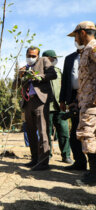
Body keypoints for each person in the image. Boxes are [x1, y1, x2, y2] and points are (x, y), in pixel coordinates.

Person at [14, 46, 57, 171]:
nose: (31, 58)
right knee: (30, 132)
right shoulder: (24, 68)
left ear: (38, 56)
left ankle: (43, 162)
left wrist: (37, 76)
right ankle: (34, 159)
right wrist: (19, 75)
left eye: (33, 56)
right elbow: (14, 86)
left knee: (43, 132)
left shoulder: (44, 61)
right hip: (27, 102)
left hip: (40, 101)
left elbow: (52, 74)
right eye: (29, 55)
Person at [67, 21, 96, 185]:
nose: (75, 39)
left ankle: (93, 177)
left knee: (88, 136)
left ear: (82, 33)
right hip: (85, 102)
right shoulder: (85, 51)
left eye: (75, 35)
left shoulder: (93, 47)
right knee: (88, 137)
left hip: (92, 104)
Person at [60, 45, 88, 171]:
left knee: (90, 134)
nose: (76, 40)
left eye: (77, 36)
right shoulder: (70, 58)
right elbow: (65, 79)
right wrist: (62, 100)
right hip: (74, 99)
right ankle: (80, 162)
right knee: (75, 134)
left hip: (90, 96)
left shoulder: (92, 53)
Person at [42, 50, 72, 164]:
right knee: (47, 133)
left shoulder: (59, 71)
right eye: (51, 58)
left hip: (60, 106)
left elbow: (64, 87)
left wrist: (65, 101)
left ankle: (66, 155)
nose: (54, 60)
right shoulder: (40, 72)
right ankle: (47, 156)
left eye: (55, 58)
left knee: (64, 132)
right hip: (46, 107)